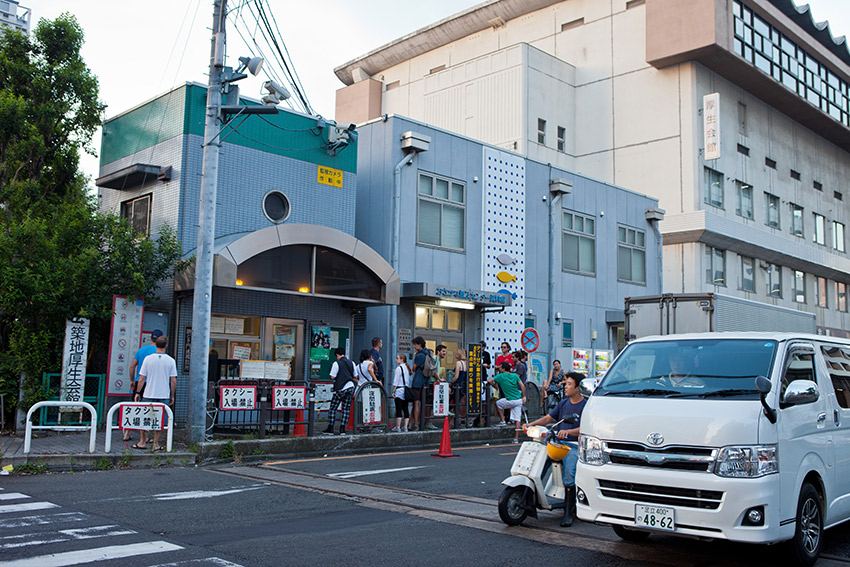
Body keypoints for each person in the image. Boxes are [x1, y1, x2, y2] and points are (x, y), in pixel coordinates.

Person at [523, 371, 587, 527]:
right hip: (557, 443)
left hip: (573, 445)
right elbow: (547, 418)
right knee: (538, 463)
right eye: (565, 383)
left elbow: (587, 427)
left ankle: (568, 511)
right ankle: (529, 498)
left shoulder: (586, 406)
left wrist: (570, 432)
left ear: (578, 388)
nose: (565, 386)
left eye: (569, 384)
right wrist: (530, 425)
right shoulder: (563, 404)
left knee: (569, 473)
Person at [133, 335, 177, 452]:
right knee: (160, 421)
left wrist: (138, 392)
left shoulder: (148, 359)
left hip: (148, 393)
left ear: (155, 344)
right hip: (163, 394)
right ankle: (155, 444)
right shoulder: (171, 360)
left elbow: (142, 378)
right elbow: (173, 380)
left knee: (144, 419)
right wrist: (172, 395)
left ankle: (142, 441)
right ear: (166, 346)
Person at [125, 329, 163, 442]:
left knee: (135, 408)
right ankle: (146, 438)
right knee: (150, 410)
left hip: (139, 382)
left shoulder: (141, 350)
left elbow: (132, 366)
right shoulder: (159, 352)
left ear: (151, 338)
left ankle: (127, 433)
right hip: (152, 384)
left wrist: (132, 380)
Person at [488, 361, 526, 443]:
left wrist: (495, 386)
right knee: (518, 419)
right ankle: (516, 438)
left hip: (509, 399)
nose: (499, 368)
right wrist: (524, 396)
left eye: (500, 367)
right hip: (518, 399)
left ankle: (503, 420)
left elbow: (489, 381)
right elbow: (522, 386)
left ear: (503, 369)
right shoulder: (515, 375)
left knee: (498, 403)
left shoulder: (500, 376)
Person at [323, 347, 357, 435]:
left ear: (337, 355)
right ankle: (342, 429)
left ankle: (330, 428)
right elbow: (355, 376)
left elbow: (332, 376)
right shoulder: (352, 363)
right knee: (346, 409)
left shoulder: (336, 363)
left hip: (340, 388)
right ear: (344, 354)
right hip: (350, 387)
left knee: (333, 408)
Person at [410, 336, 430, 430]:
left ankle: (416, 424)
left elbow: (414, 368)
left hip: (418, 381)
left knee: (416, 403)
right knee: (424, 403)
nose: (414, 346)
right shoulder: (428, 353)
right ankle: (418, 422)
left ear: (419, 344)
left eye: (415, 344)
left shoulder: (419, 355)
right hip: (426, 381)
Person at [390, 354, 412, 432]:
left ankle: (398, 427)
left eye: (397, 358)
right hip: (405, 390)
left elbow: (395, 381)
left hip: (399, 390)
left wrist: (393, 391)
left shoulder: (398, 368)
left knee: (398, 408)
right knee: (405, 409)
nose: (396, 360)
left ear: (401, 360)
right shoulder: (407, 368)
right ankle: (405, 427)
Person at [451, 348, 468, 419]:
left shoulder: (458, 363)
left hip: (458, 384)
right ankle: (462, 417)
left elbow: (456, 376)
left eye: (456, 353)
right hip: (464, 384)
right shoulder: (465, 363)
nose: (455, 355)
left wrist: (451, 382)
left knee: (455, 401)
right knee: (462, 401)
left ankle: (455, 417)